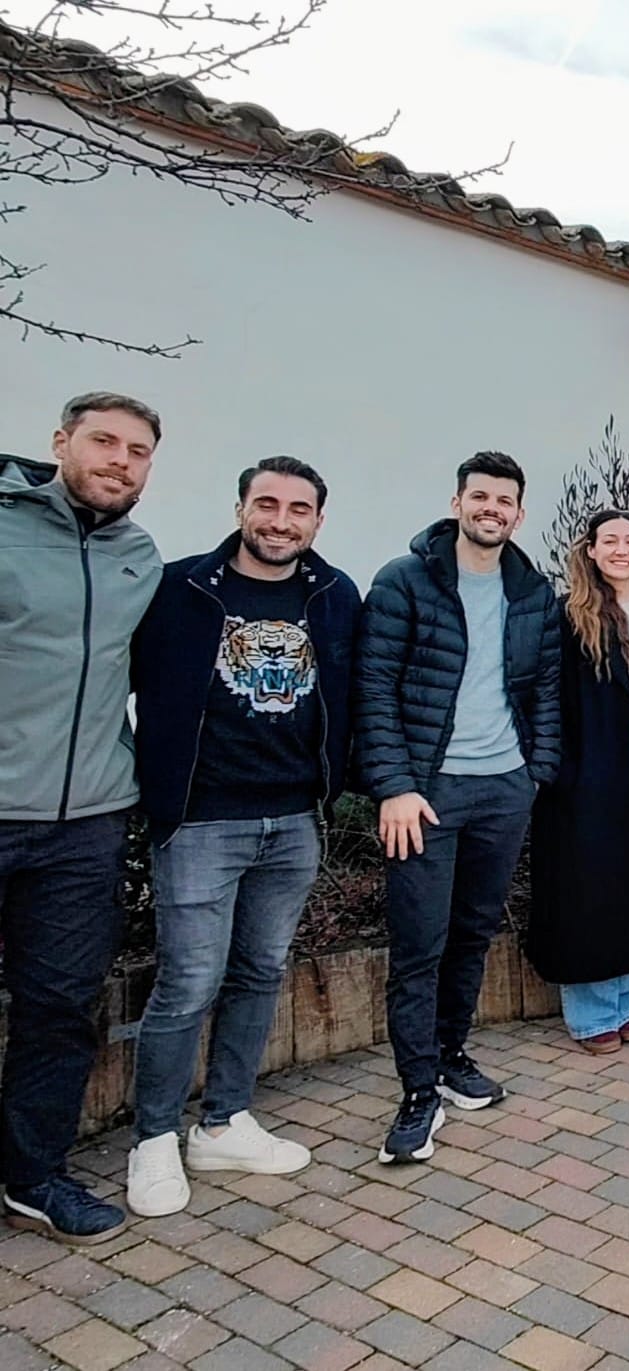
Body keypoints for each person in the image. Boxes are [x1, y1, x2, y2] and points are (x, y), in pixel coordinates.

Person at [125, 457, 360, 1217]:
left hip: (294, 820)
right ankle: (153, 1139)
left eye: (298, 509)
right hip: (200, 819)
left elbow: (350, 695)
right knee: (188, 982)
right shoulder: (179, 589)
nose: (281, 521)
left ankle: (223, 1123)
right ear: (240, 509)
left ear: (317, 520)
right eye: (267, 504)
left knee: (260, 971)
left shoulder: (334, 594)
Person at [355, 452, 561, 1163]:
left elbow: (545, 690)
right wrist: (393, 785)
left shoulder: (532, 591)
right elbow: (373, 688)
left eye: (504, 501)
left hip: (504, 788)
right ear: (457, 502)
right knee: (419, 944)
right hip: (426, 793)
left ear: (518, 514)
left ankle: (449, 1055)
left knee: (473, 934)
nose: (491, 509)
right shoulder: (404, 581)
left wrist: (534, 773)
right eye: (480, 497)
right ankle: (417, 1090)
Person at [0, 394, 162, 1243]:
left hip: (87, 822)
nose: (119, 461)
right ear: (61, 442)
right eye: (104, 441)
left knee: (61, 1007)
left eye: (138, 451)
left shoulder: (139, 556)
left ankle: (34, 1175)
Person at [526, 511, 629, 1052]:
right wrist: (559, 766)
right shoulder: (568, 617)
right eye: (610, 541)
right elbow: (545, 697)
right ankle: (592, 1013)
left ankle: (626, 1002)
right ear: (591, 551)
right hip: (593, 760)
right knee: (593, 881)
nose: (622, 549)